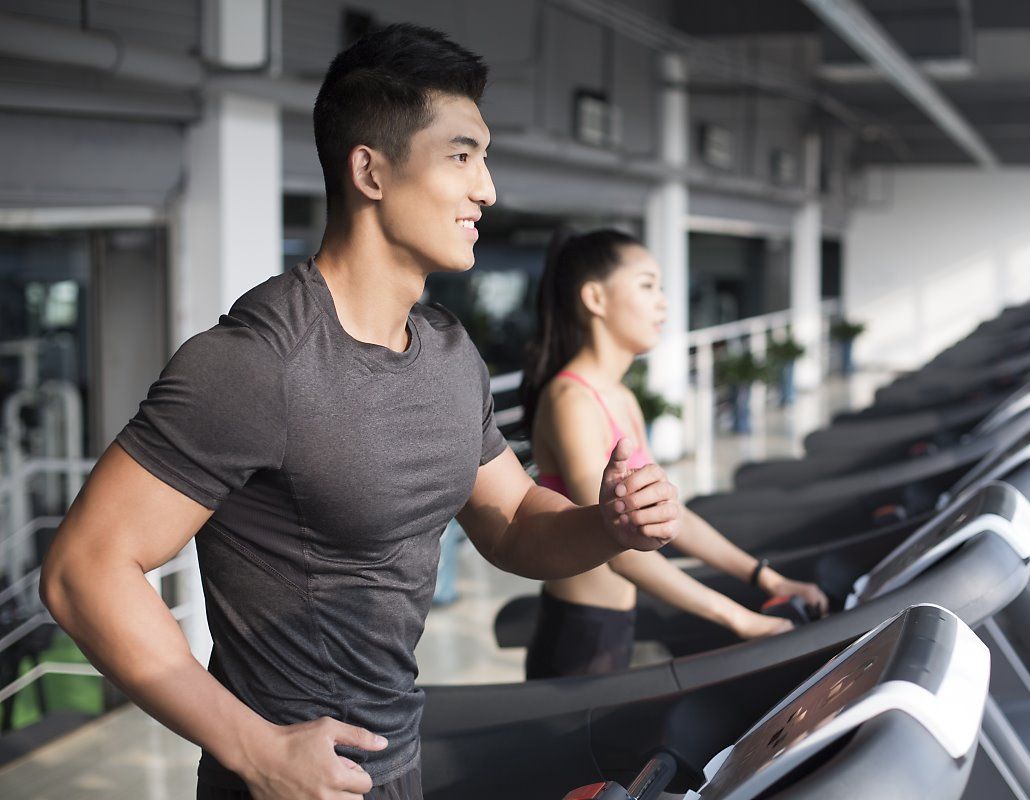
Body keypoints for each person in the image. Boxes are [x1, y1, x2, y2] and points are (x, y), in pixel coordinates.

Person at [39, 25, 682, 800]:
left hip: (396, 764)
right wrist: (255, 748)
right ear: (370, 171)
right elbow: (85, 570)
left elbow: (511, 520)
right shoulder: (259, 359)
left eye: (483, 158)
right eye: (462, 156)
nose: (488, 189)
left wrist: (606, 525)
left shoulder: (448, 354)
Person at [519, 229, 828, 680]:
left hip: (616, 623)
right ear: (595, 298)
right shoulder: (572, 399)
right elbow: (617, 544)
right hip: (579, 634)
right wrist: (740, 619)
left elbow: (669, 515)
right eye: (647, 285)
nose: (664, 302)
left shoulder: (619, 395)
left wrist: (767, 578)